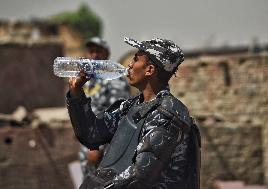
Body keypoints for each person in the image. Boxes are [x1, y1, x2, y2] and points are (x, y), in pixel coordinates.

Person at [67, 37, 201, 189]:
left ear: (149, 70)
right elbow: (92, 134)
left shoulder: (166, 114)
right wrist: (77, 94)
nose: (129, 65)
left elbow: (139, 177)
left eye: (136, 60)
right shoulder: (131, 106)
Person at [78, 37, 130, 176]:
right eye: (91, 51)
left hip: (104, 150)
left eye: (98, 51)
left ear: (107, 54)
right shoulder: (88, 80)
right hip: (87, 147)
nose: (94, 55)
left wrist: (97, 147)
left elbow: (117, 116)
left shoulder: (114, 79)